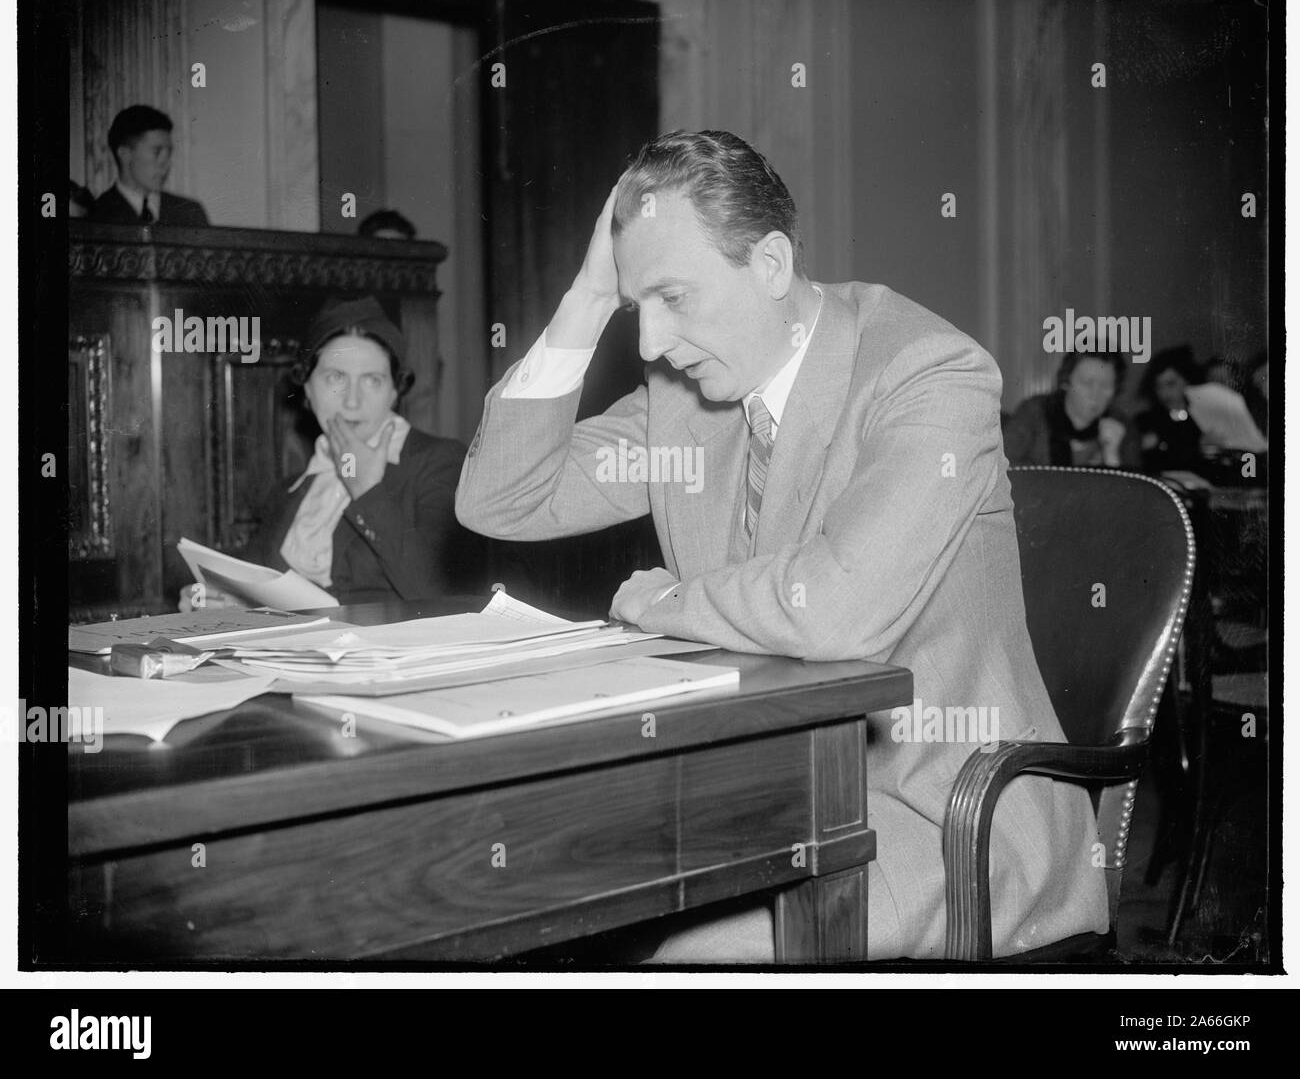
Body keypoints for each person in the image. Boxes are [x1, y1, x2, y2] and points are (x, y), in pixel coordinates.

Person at [456, 130, 1109, 961]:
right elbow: (501, 498)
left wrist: (662, 605)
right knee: (534, 893)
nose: (650, 343)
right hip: (772, 796)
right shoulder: (686, 399)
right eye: (634, 307)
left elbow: (836, 611)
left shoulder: (928, 373)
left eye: (674, 298)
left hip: (938, 813)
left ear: (769, 264)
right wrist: (587, 298)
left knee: (685, 957)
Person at [179, 297, 467, 608]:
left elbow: (446, 594)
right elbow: (256, 585)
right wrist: (221, 600)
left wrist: (368, 490)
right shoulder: (290, 490)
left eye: (373, 380)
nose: (352, 401)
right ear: (307, 387)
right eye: (336, 378)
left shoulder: (438, 462)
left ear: (395, 391)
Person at [1003, 352, 1141, 468]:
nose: (1095, 394)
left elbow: (1135, 495)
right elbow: (1005, 466)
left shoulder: (1123, 425)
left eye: (1105, 386)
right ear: (1066, 382)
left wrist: (1112, 454)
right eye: (1087, 383)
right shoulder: (1035, 411)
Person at [90, 105, 210, 227]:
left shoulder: (190, 213)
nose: (167, 163)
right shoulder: (94, 216)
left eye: (169, 153)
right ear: (125, 154)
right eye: (157, 152)